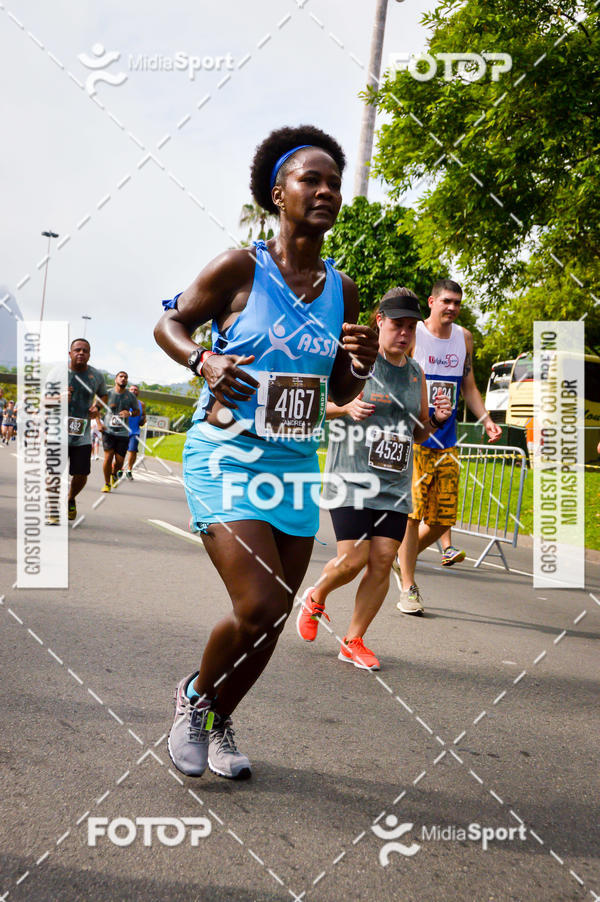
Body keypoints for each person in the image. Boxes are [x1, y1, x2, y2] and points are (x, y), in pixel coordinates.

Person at [154, 125, 378, 780]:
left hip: (294, 464)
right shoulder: (239, 267)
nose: (327, 190)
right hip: (225, 452)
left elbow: (339, 387)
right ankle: (195, 698)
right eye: (312, 179)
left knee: (272, 625)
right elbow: (171, 322)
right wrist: (204, 359)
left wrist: (358, 363)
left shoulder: (344, 290)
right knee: (261, 605)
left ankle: (221, 720)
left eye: (335, 182)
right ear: (278, 192)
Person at [296, 288, 451, 669]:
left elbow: (417, 433)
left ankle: (353, 640)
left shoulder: (416, 373)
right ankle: (316, 594)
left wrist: (436, 420)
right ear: (379, 321)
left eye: (411, 328)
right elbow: (317, 406)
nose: (404, 334)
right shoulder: (354, 363)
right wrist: (345, 407)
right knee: (353, 560)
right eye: (397, 325)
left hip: (394, 484)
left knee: (383, 559)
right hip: (350, 477)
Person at [394, 279, 502, 614]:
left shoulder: (464, 338)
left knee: (443, 518)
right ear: (432, 302)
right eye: (446, 301)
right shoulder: (415, 336)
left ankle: (401, 557)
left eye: (457, 302)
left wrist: (485, 418)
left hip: (447, 442)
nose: (452, 307)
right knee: (412, 516)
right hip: (416, 438)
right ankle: (409, 587)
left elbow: (467, 383)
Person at [67, 338, 108, 519]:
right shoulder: (57, 373)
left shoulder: (96, 376)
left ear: (89, 355)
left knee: (81, 474)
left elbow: (104, 396)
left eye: (85, 350)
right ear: (70, 353)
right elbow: (43, 400)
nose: (81, 353)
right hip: (56, 431)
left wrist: (97, 407)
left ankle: (70, 497)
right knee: (52, 472)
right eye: (77, 350)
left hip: (81, 433)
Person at [101, 371, 138, 492]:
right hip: (108, 431)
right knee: (108, 457)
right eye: (121, 377)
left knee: (120, 461)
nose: (123, 379)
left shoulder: (131, 396)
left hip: (123, 433)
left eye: (125, 377)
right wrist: (98, 423)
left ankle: (114, 474)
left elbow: (137, 411)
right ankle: (107, 483)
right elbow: (95, 407)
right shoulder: (108, 393)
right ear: (115, 379)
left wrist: (130, 413)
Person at [124, 384, 146, 479]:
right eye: (132, 389)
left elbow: (144, 415)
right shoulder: (123, 401)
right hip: (123, 431)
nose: (133, 391)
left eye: (136, 389)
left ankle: (129, 470)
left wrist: (143, 420)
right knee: (121, 451)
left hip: (135, 431)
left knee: (133, 451)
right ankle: (119, 468)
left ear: (138, 392)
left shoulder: (141, 404)